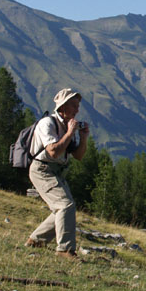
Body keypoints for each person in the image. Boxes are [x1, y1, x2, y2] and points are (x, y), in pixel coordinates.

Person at [25, 88, 90, 259]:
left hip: (56, 171)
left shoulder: (67, 125)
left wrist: (83, 137)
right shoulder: (47, 124)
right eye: (74, 106)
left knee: (64, 208)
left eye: (78, 106)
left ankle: (36, 240)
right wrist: (69, 133)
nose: (77, 110)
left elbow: (79, 156)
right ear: (63, 106)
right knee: (65, 206)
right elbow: (53, 152)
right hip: (42, 169)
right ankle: (65, 250)